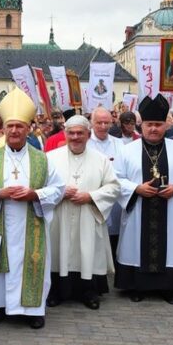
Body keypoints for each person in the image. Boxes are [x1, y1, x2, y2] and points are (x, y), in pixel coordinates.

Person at [0, 88, 65, 329]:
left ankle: (33, 311)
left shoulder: (43, 159)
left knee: (31, 264)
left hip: (32, 225)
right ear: (3, 129)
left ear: (28, 128)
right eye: (10, 126)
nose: (14, 131)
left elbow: (58, 188)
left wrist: (35, 195)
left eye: (19, 126)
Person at [113, 94, 173, 304]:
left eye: (158, 124)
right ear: (142, 125)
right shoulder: (126, 151)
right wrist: (136, 188)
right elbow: (115, 179)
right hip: (138, 211)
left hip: (170, 210)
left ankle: (168, 288)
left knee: (170, 249)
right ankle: (137, 287)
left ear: (166, 125)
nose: (154, 129)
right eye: (149, 124)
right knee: (137, 248)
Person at [46, 115, 120, 310]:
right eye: (71, 133)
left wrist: (91, 196)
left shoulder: (101, 160)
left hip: (88, 215)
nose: (75, 137)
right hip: (59, 216)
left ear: (88, 134)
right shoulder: (50, 158)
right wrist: (60, 193)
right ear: (65, 134)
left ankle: (89, 292)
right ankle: (56, 292)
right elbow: (41, 187)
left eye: (80, 133)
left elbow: (113, 187)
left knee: (87, 253)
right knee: (58, 252)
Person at [87, 107, 125, 265]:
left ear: (112, 123)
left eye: (106, 123)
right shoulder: (85, 142)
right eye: (99, 123)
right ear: (92, 123)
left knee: (114, 234)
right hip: (92, 196)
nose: (103, 126)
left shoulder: (119, 144)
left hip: (114, 198)